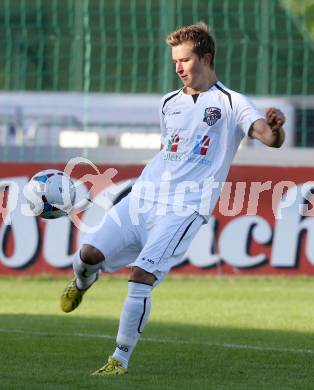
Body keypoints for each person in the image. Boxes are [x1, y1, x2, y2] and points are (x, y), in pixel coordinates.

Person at [60, 22, 285, 376]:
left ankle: (119, 359)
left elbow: (268, 137)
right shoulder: (168, 103)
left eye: (185, 59)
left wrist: (275, 126)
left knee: (142, 274)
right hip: (141, 201)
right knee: (87, 255)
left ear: (206, 58)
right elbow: (169, 150)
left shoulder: (232, 103)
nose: (178, 67)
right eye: (175, 61)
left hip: (184, 209)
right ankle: (82, 282)